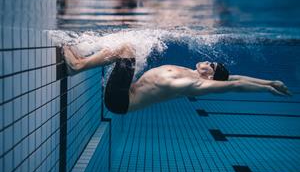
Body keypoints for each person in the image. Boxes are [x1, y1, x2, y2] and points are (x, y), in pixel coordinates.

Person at [62, 43, 291, 114]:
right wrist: (269, 82)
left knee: (126, 49)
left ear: (209, 75)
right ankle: (82, 60)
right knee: (127, 48)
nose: (208, 61)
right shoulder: (193, 72)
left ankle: (77, 65)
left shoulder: (195, 83)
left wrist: (266, 91)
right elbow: (237, 77)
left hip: (120, 101)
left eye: (211, 65)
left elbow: (235, 85)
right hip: (125, 92)